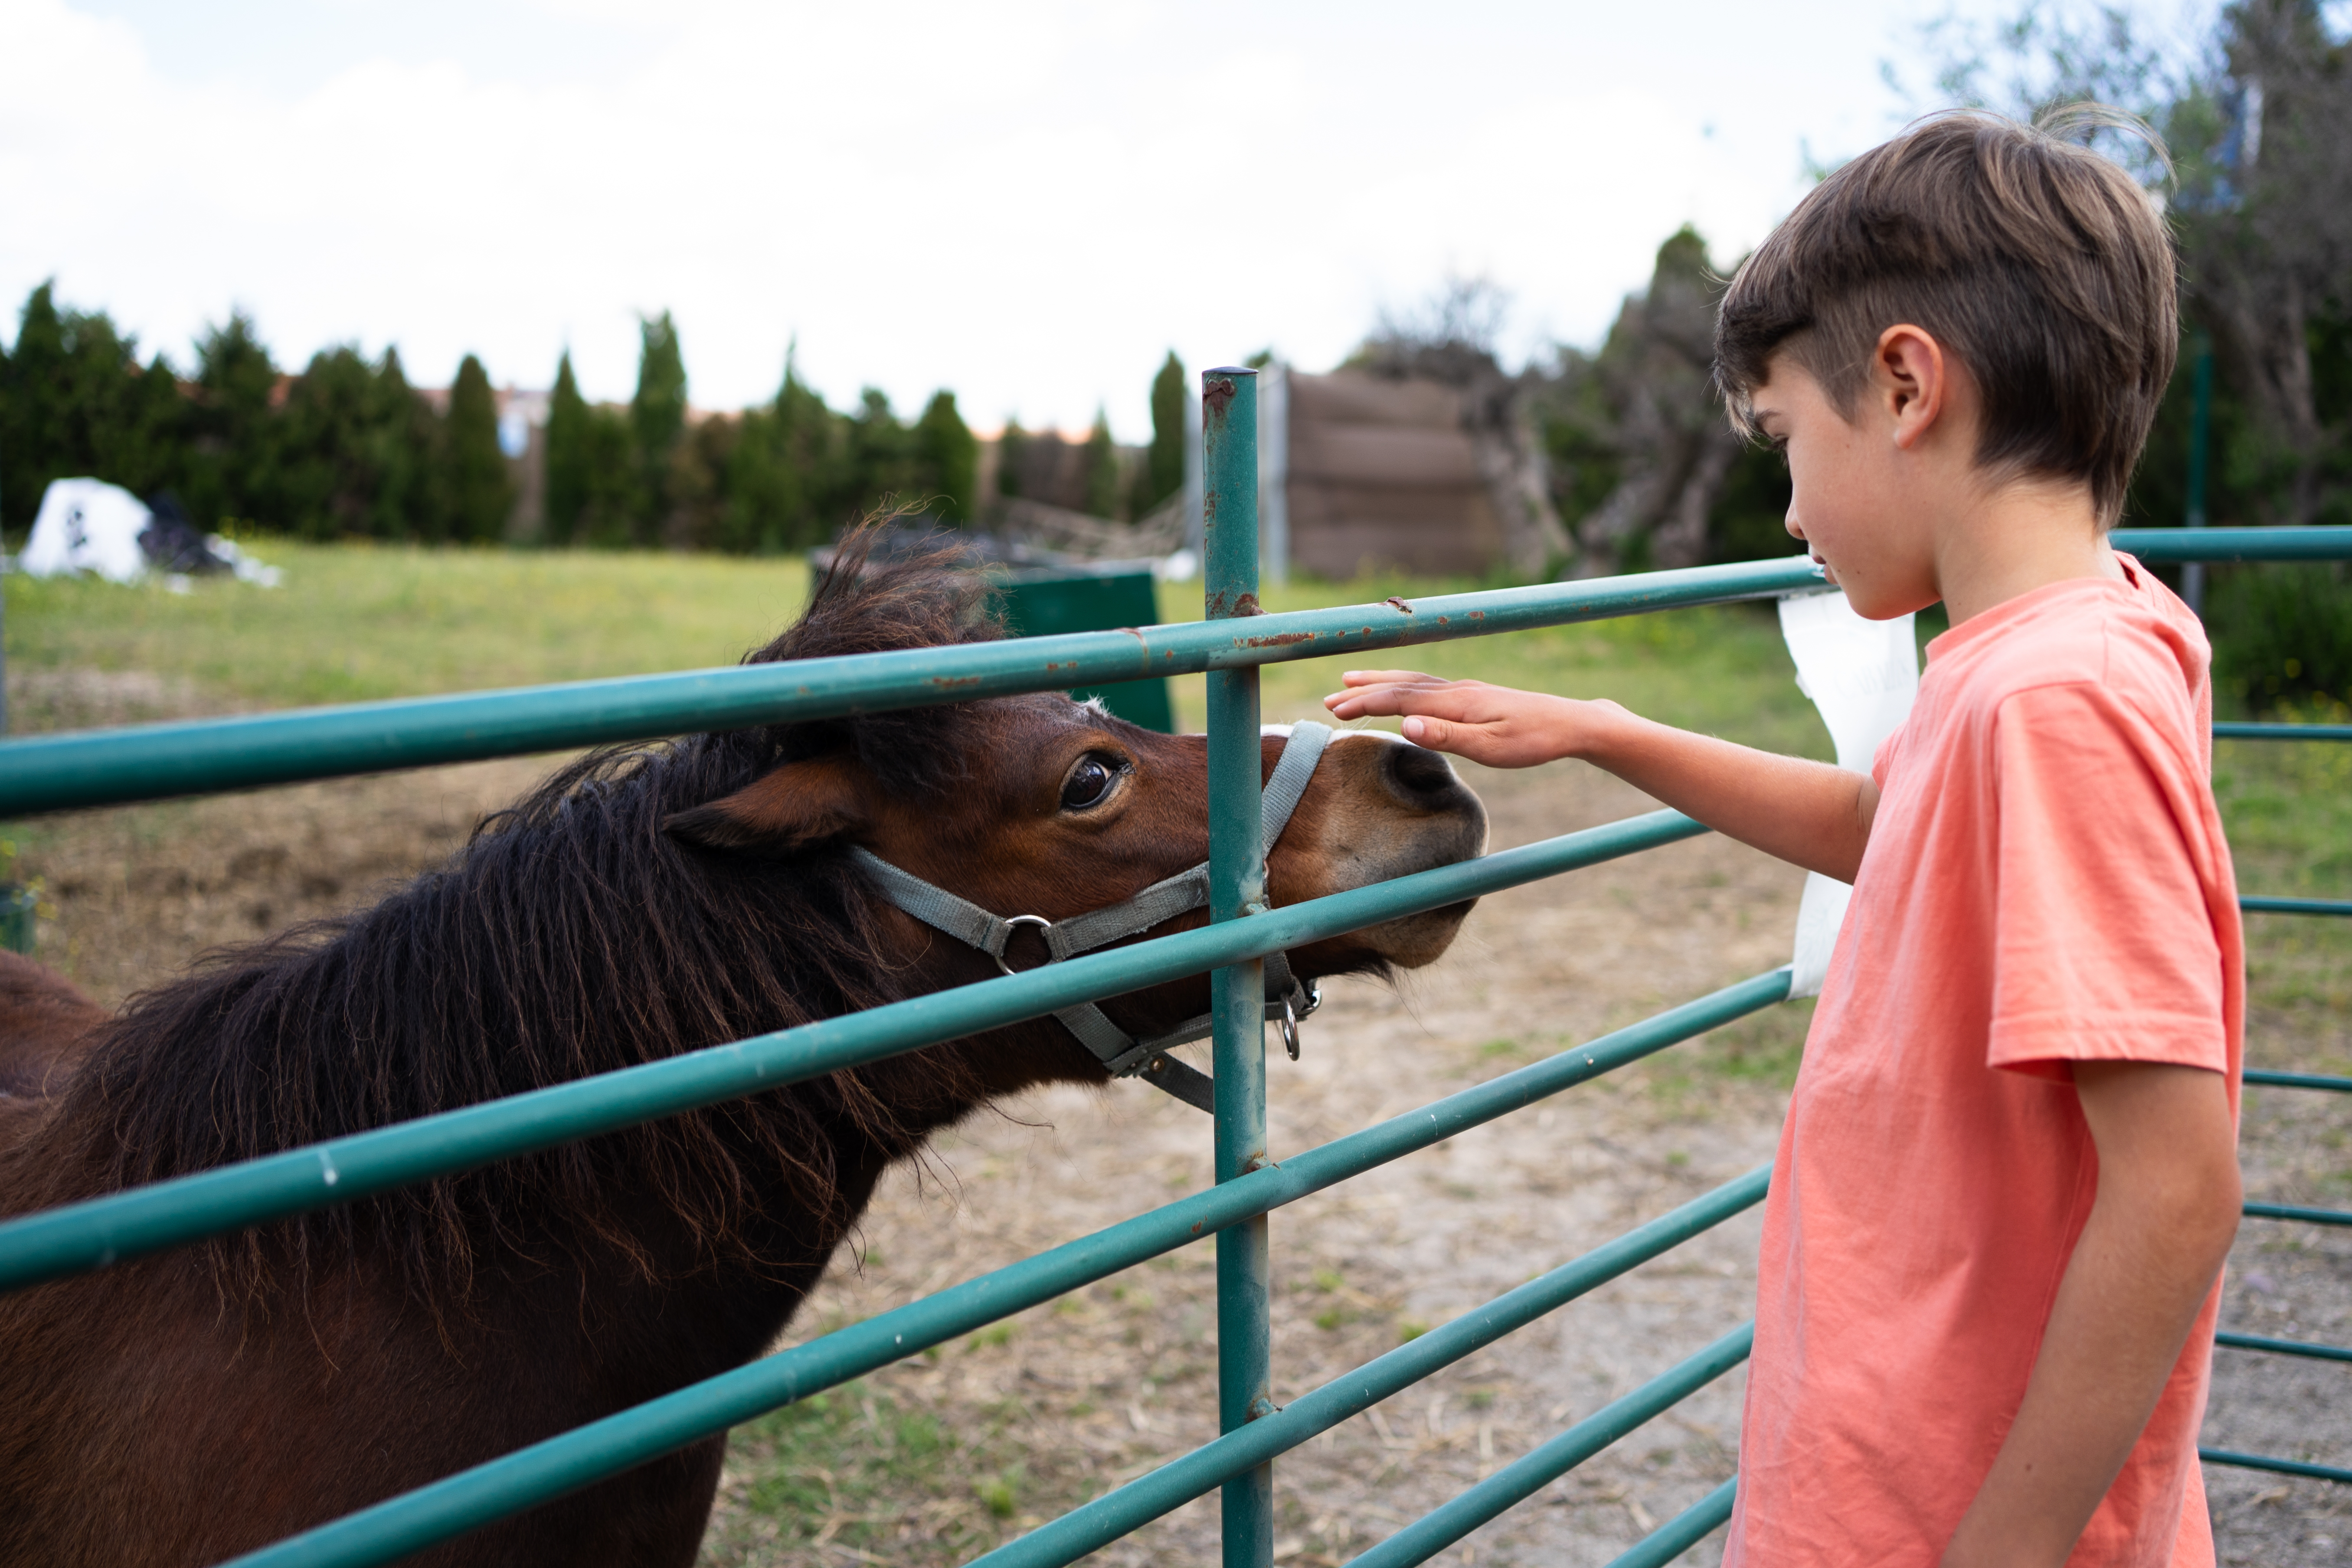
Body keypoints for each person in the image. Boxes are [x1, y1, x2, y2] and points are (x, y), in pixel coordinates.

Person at [1327, 110, 2242, 1568]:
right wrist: (1610, 728)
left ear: (1902, 387)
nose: (1795, 507)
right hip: (1903, 1460)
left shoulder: (2052, 700)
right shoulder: (2044, 653)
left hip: (1954, 1508)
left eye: (1785, 443)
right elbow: (1900, 833)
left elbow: (2178, 1186)